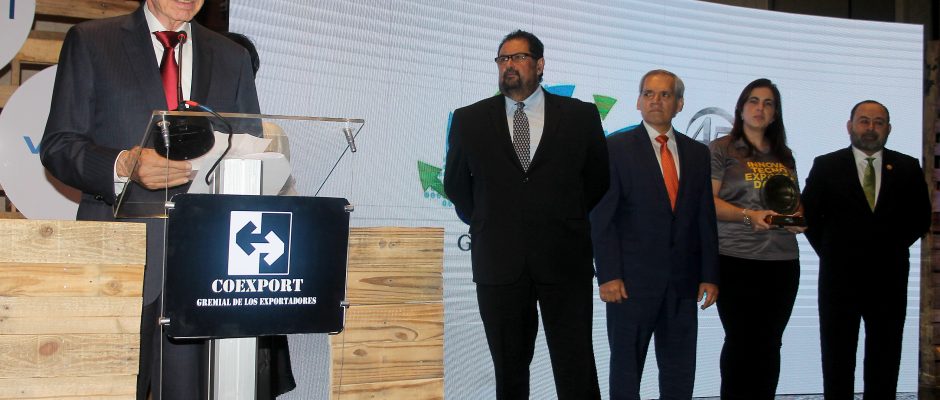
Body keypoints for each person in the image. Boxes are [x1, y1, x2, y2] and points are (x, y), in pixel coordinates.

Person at [39, 1, 293, 398]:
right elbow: (59, 145)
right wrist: (123, 165)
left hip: (201, 270)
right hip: (115, 260)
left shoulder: (232, 57)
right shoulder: (92, 42)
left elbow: (250, 152)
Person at [443, 29, 608, 399]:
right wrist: (490, 221)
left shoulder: (580, 116)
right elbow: (456, 185)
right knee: (510, 370)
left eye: (518, 57)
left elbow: (598, 179)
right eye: (503, 59)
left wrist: (562, 217)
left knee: (576, 367)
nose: (509, 65)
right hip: (499, 263)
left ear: (540, 64)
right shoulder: (469, 119)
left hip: (564, 261)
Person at [590, 69, 719, 400]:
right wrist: (609, 274)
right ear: (638, 102)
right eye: (648, 93)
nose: (655, 101)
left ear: (679, 104)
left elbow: (704, 218)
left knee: (680, 373)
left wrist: (709, 274)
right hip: (629, 285)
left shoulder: (697, 153)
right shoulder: (615, 148)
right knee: (626, 372)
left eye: (665, 95)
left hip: (682, 285)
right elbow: (602, 218)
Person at [802, 100, 930, 398]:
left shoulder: (908, 167)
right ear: (850, 126)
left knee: (885, 358)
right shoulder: (826, 165)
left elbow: (919, 218)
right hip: (838, 280)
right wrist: (833, 251)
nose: (870, 128)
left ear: (888, 129)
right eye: (864, 121)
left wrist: (889, 247)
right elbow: (810, 217)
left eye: (878, 122)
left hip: (889, 279)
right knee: (837, 359)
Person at [708, 78, 803, 399]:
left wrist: (797, 220)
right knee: (740, 342)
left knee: (770, 344)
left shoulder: (784, 155)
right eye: (753, 101)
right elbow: (709, 201)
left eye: (768, 103)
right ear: (741, 108)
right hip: (736, 260)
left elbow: (794, 203)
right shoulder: (722, 148)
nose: (760, 108)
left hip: (782, 262)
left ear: (775, 114)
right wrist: (748, 215)